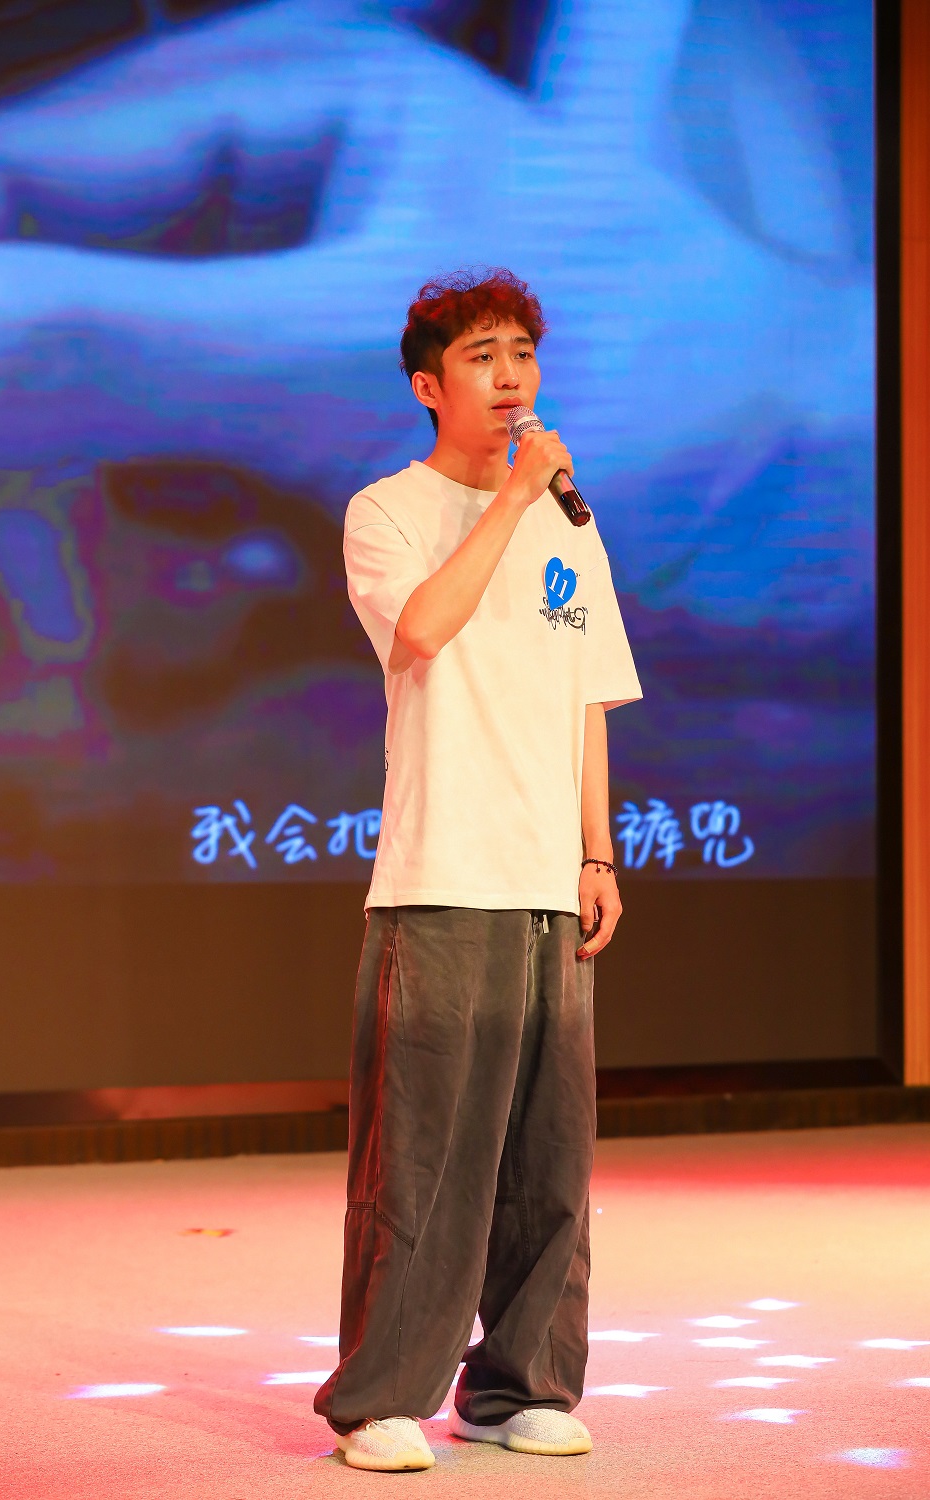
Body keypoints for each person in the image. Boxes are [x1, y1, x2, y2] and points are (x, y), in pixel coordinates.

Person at [314, 269, 642, 1471]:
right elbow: (420, 631)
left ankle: (518, 1386)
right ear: (427, 385)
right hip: (442, 876)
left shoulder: (570, 522)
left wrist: (596, 849)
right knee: (423, 1163)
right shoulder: (387, 510)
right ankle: (381, 1398)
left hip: (548, 881)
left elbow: (588, 695)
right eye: (482, 357)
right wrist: (509, 498)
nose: (510, 378)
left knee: (548, 1163)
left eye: (522, 355)